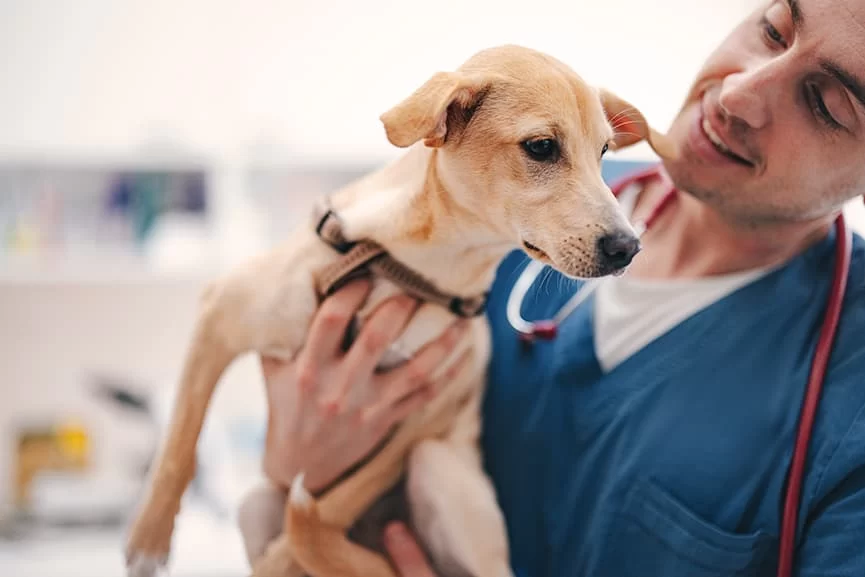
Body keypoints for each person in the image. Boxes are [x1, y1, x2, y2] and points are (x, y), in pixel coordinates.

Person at [257, 0, 865, 574]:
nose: (738, 93)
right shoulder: (511, 186)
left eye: (828, 104)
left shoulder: (848, 394)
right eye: (774, 28)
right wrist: (289, 466)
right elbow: (317, 441)